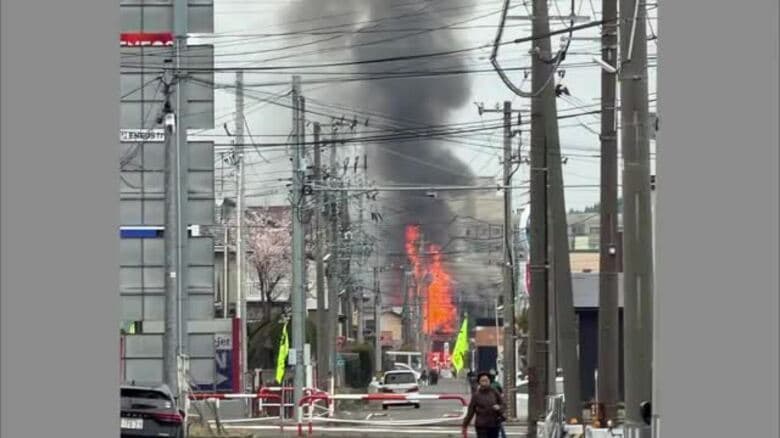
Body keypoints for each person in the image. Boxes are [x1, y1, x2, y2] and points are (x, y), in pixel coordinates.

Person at [463, 372, 506, 438]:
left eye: (486, 380)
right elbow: (470, 411)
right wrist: (465, 425)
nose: (485, 383)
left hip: (494, 424)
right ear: (479, 382)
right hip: (481, 425)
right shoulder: (476, 395)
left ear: (489, 381)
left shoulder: (494, 392)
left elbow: (503, 404)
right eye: (482, 381)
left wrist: (499, 407)